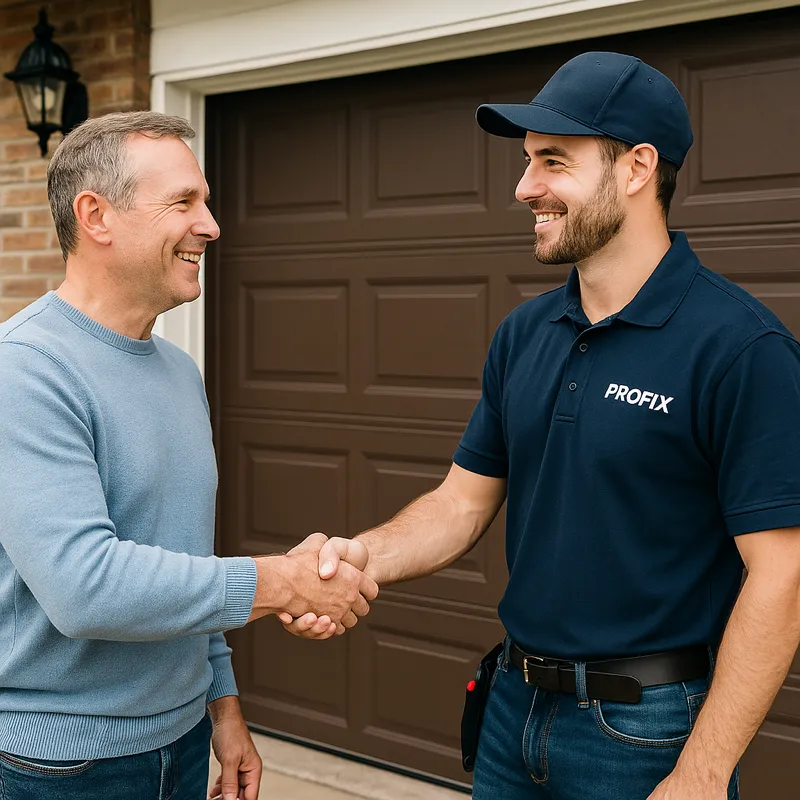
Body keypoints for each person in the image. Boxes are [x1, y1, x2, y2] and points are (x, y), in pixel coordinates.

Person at [280, 52, 800, 799]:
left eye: (553, 161)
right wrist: (352, 559)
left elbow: (780, 575)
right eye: (527, 163)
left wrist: (704, 772)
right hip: (513, 710)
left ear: (637, 168)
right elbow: (460, 505)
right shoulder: (526, 334)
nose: (525, 188)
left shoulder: (740, 348)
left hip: (646, 731)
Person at [0, 112, 378, 800]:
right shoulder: (26, 371)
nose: (211, 225)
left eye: (205, 201)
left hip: (184, 740)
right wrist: (285, 582)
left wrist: (223, 705)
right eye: (184, 202)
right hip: (61, 768)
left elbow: (182, 557)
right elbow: (86, 588)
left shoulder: (178, 371)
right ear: (96, 216)